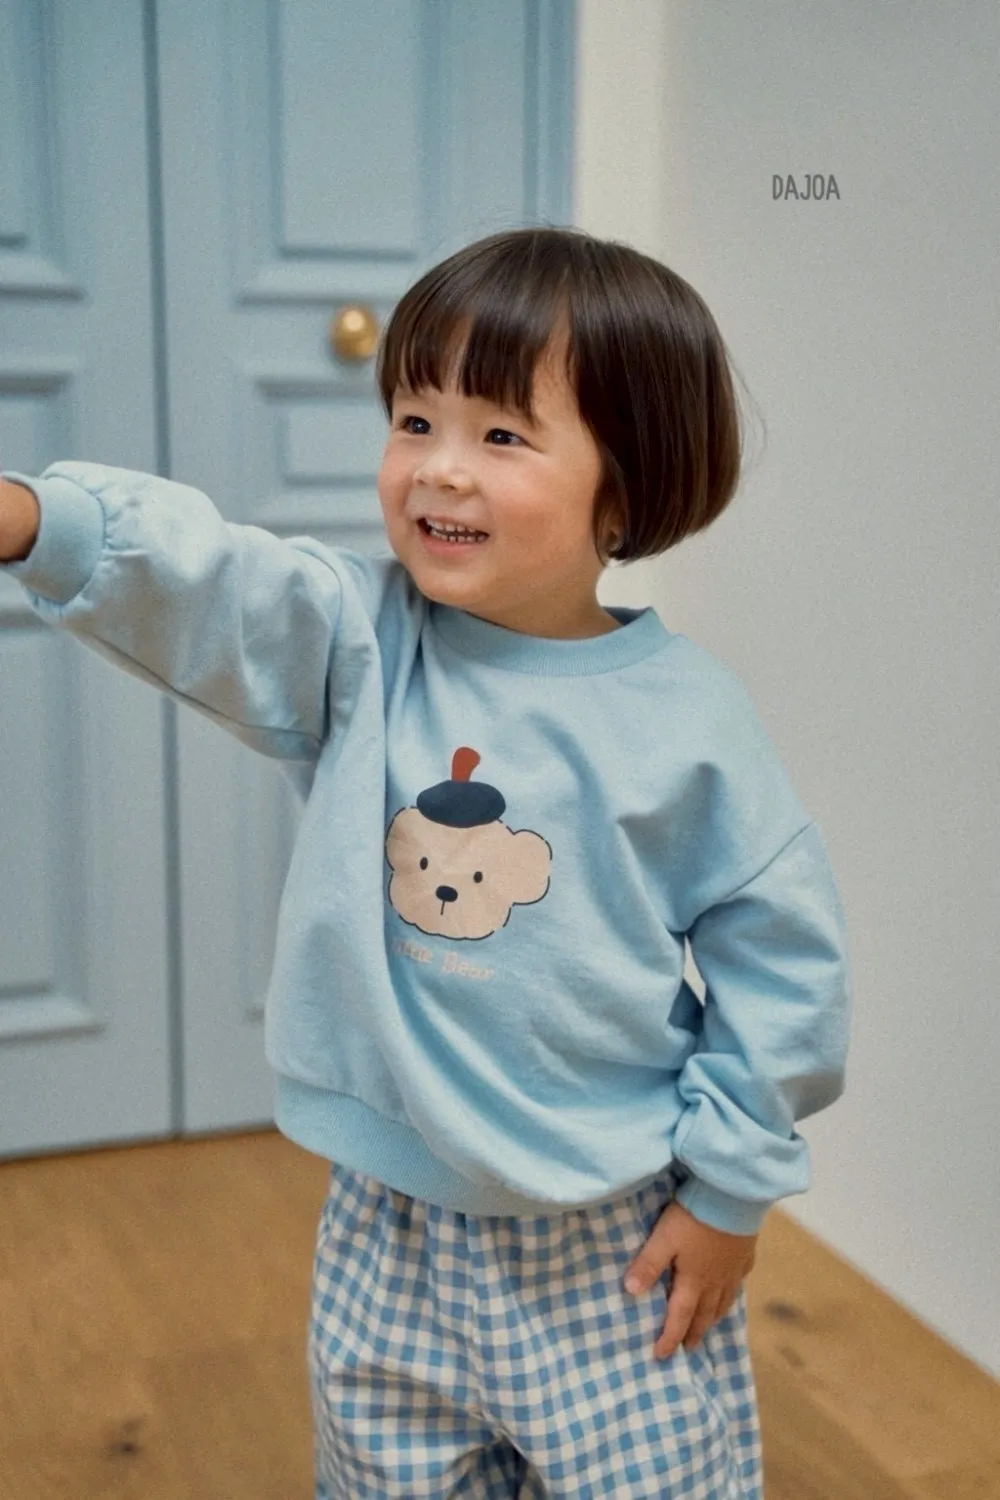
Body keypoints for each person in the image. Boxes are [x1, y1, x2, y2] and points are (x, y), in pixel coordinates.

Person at [0, 225, 851, 1499]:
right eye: (413, 420)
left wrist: (728, 1194)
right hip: (387, 1220)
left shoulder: (690, 725)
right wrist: (36, 519)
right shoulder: (360, 640)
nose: (438, 468)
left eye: (501, 434)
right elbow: (221, 583)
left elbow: (784, 969)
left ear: (626, 486)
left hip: (607, 1229)